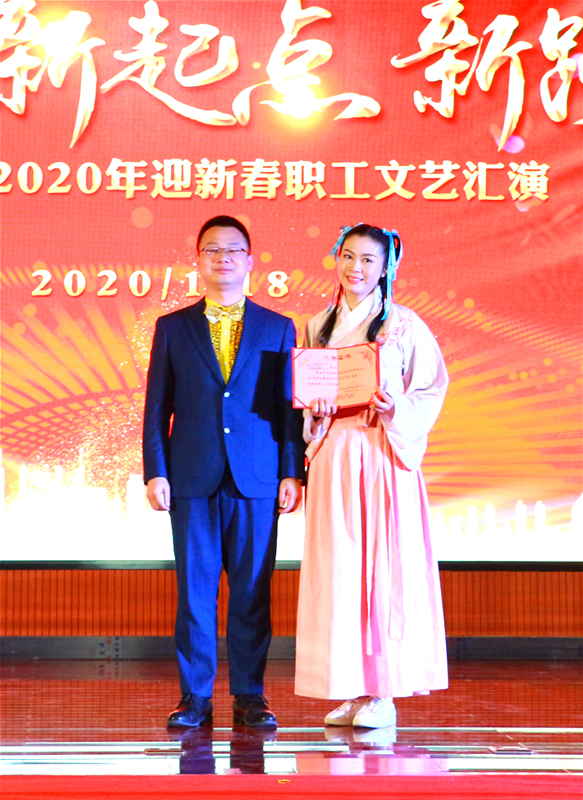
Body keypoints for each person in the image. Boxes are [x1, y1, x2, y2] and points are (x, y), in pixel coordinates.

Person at [143, 215, 304, 729]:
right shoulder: (173, 328)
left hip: (257, 478)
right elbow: (156, 407)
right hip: (191, 475)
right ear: (198, 261)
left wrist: (291, 471)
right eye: (212, 250)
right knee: (195, 593)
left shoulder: (278, 327)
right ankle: (194, 697)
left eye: (233, 250)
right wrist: (155, 470)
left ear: (250, 261)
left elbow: (288, 409)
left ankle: (250, 695)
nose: (223, 258)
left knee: (252, 593)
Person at [294, 223, 449, 728]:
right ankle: (350, 687)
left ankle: (383, 690)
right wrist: (314, 412)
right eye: (348, 256)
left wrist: (394, 408)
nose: (355, 268)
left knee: (383, 568)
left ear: (385, 268)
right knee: (339, 569)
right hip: (335, 454)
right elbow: (307, 394)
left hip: (382, 450)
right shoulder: (318, 325)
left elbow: (430, 389)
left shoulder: (403, 324)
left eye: (367, 260)